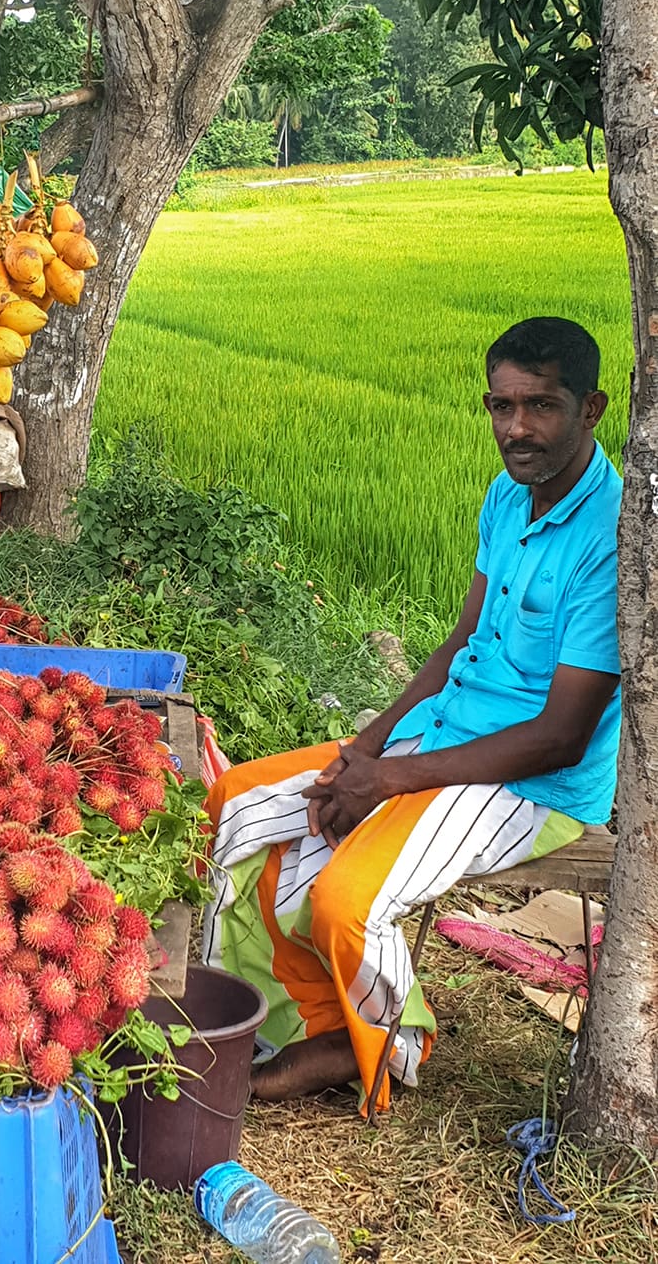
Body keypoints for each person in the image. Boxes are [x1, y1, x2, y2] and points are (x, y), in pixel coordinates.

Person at [203, 317, 620, 1116]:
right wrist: (365, 746)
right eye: (500, 407)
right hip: (440, 735)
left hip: (531, 782)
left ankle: (386, 1041)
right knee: (239, 804)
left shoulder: (609, 535)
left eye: (540, 406)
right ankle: (310, 1022)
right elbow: (459, 639)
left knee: (342, 899)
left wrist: (386, 778)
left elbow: (559, 735)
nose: (516, 429)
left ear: (592, 408)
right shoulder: (508, 495)